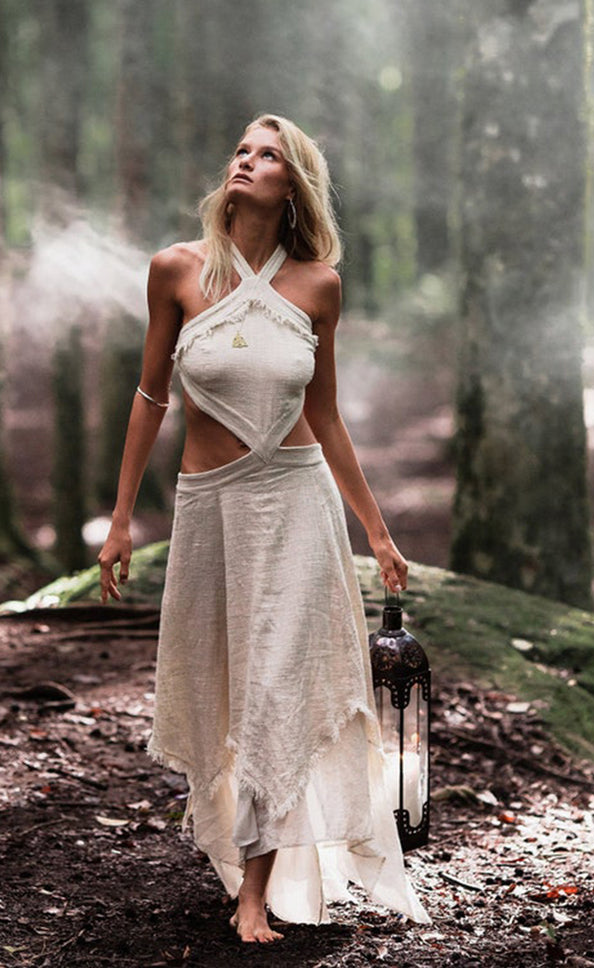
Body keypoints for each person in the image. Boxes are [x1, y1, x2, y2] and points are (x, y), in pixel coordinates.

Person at [97, 113, 429, 943]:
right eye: (243, 150)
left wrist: (378, 532)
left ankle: (256, 890)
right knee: (225, 691)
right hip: (209, 510)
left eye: (269, 155)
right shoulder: (175, 270)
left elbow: (327, 417)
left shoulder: (319, 285)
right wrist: (119, 521)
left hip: (296, 504)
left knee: (277, 690)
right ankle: (239, 852)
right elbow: (150, 399)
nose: (249, 161)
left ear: (294, 186)